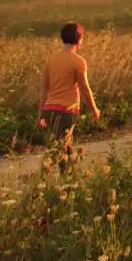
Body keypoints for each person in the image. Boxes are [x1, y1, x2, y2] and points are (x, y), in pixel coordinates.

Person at [38, 21, 101, 168]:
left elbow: (44, 89)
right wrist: (94, 109)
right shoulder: (78, 61)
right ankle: (42, 179)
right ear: (79, 39)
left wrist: (40, 113)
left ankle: (67, 182)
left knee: (64, 146)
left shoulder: (51, 60)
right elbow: (84, 88)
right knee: (58, 149)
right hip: (66, 111)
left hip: (49, 110)